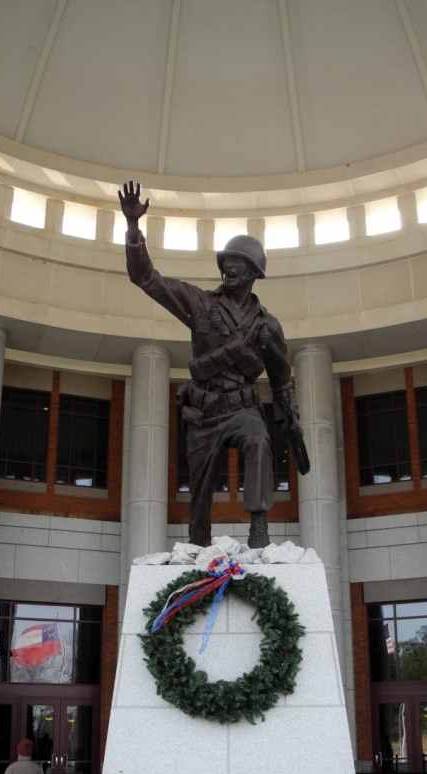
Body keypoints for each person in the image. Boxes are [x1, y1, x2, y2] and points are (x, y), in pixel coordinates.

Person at [118, 180, 309, 549]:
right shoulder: (200, 304)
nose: (231, 270)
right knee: (200, 491)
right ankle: (199, 548)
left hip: (242, 408)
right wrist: (132, 228)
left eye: (240, 265)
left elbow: (282, 378)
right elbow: (146, 279)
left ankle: (259, 528)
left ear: (255, 273)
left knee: (258, 440)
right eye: (228, 264)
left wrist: (292, 419)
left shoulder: (268, 326)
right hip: (204, 413)